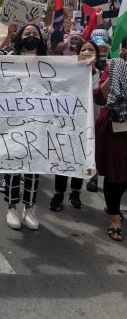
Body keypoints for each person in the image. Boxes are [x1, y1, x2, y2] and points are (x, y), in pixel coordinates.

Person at [0, 14, 48, 230]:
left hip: (38, 123)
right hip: (11, 124)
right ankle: (12, 209)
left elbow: (72, 75)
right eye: (27, 33)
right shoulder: (7, 56)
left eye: (35, 34)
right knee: (14, 167)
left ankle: (30, 209)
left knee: (33, 168)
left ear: (41, 40)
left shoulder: (51, 62)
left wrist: (85, 64)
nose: (31, 36)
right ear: (19, 37)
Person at [49, 40, 102, 211]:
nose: (87, 51)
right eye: (84, 49)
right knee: (63, 159)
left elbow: (97, 95)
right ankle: (58, 194)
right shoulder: (69, 73)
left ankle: (75, 193)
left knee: (80, 159)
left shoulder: (100, 75)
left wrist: (92, 70)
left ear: (96, 54)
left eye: (91, 49)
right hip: (67, 124)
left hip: (88, 125)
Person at [94, 36, 127, 242]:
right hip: (117, 128)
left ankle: (112, 204)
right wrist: (112, 78)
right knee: (116, 173)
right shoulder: (115, 67)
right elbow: (99, 97)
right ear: (124, 50)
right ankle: (114, 219)